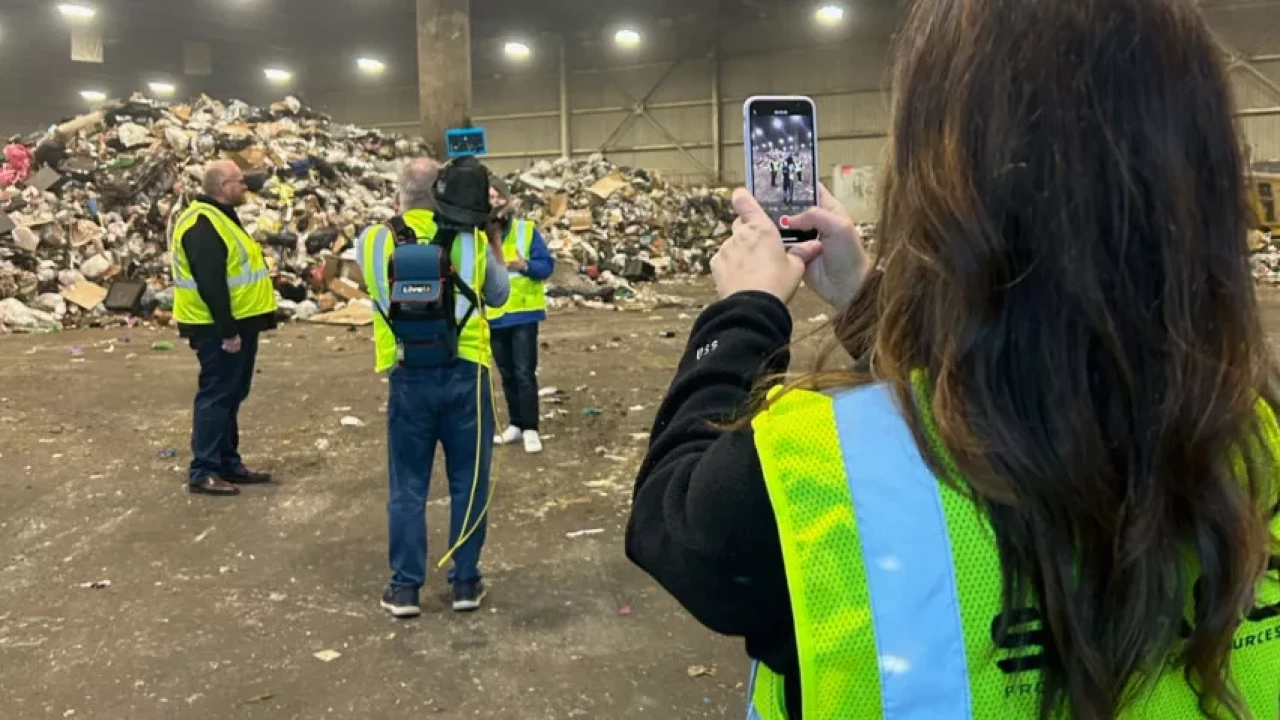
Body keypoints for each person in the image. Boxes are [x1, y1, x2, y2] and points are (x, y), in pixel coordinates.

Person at [625, 0, 1280, 718]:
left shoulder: (823, 479)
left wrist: (744, 312)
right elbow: (1034, 362)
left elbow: (673, 524)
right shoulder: (1258, 438)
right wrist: (863, 299)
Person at [358, 157, 509, 618]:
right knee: (469, 481)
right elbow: (500, 295)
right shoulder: (469, 239)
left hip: (406, 375)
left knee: (407, 485)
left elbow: (374, 292)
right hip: (466, 374)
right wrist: (493, 237)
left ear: (398, 193)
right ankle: (465, 583)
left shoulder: (372, 240)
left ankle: (405, 589)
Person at [170, 160, 278, 497]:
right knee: (216, 395)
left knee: (232, 394)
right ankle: (203, 469)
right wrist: (228, 331)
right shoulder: (202, 224)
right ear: (221, 186)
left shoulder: (220, 217)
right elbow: (211, 283)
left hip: (239, 324)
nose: (245, 185)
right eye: (239, 181)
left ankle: (228, 461)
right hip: (217, 328)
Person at [486, 179, 555, 454]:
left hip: (523, 314)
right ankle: (515, 423)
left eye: (497, 197)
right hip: (494, 315)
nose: (493, 203)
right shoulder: (480, 234)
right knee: (506, 373)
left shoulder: (526, 231)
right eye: (488, 198)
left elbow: (546, 266)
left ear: (507, 200)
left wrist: (524, 265)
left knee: (524, 372)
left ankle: (530, 428)